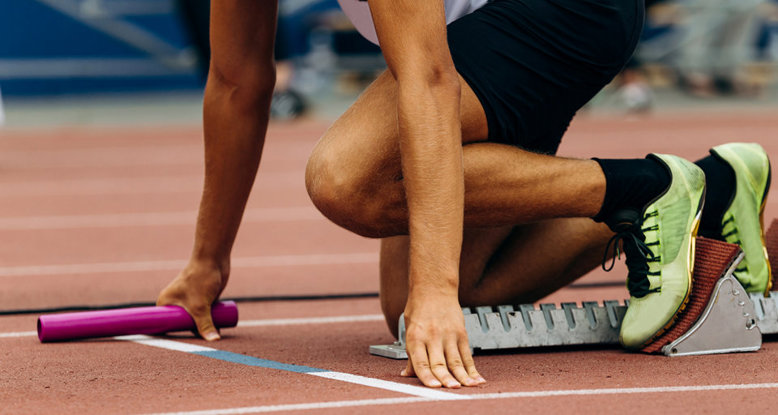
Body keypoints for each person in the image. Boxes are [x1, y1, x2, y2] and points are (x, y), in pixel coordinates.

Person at [158, 0, 773, 389]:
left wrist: (437, 290)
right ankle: (708, 186)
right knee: (444, 298)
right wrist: (207, 264)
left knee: (351, 180)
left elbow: (428, 80)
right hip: (481, 33)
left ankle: (648, 190)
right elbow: (237, 81)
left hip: (569, 11)